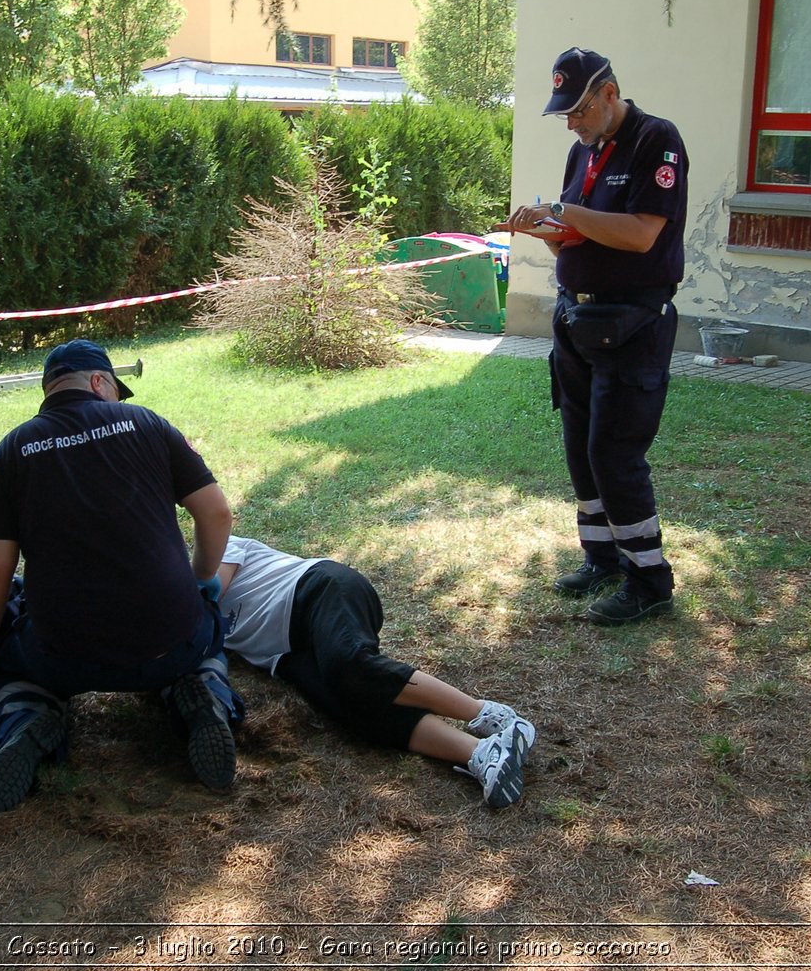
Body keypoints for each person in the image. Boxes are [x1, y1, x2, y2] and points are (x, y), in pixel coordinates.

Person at [0, 339, 240, 812]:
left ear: (49, 391)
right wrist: (201, 579)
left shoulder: (11, 451)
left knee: (18, 662)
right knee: (201, 643)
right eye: (114, 391)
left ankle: (27, 717)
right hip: (170, 639)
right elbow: (217, 512)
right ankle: (202, 694)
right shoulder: (149, 423)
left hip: (63, 653)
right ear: (98, 381)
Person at [503, 47, 689, 626]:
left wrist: (567, 213)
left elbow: (639, 235)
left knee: (614, 452)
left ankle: (648, 580)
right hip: (576, 321)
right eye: (565, 113)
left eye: (580, 109)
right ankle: (601, 557)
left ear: (609, 94)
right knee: (581, 446)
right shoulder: (580, 152)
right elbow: (577, 236)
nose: (573, 122)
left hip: (632, 324)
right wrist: (548, 232)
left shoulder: (656, 140)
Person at [216, 535, 535, 808]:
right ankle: (482, 754)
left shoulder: (216, 548)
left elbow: (207, 593)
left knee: (351, 667)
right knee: (354, 712)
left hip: (315, 591)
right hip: (285, 656)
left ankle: (493, 717)